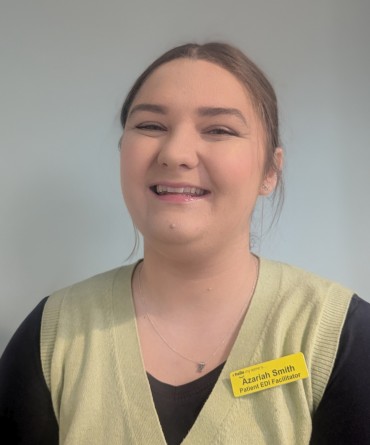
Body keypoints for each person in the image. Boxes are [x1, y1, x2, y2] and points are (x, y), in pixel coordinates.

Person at [0, 42, 369, 445]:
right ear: (122, 151)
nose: (175, 153)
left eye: (219, 130)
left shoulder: (337, 338)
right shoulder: (53, 334)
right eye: (151, 126)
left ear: (270, 171)